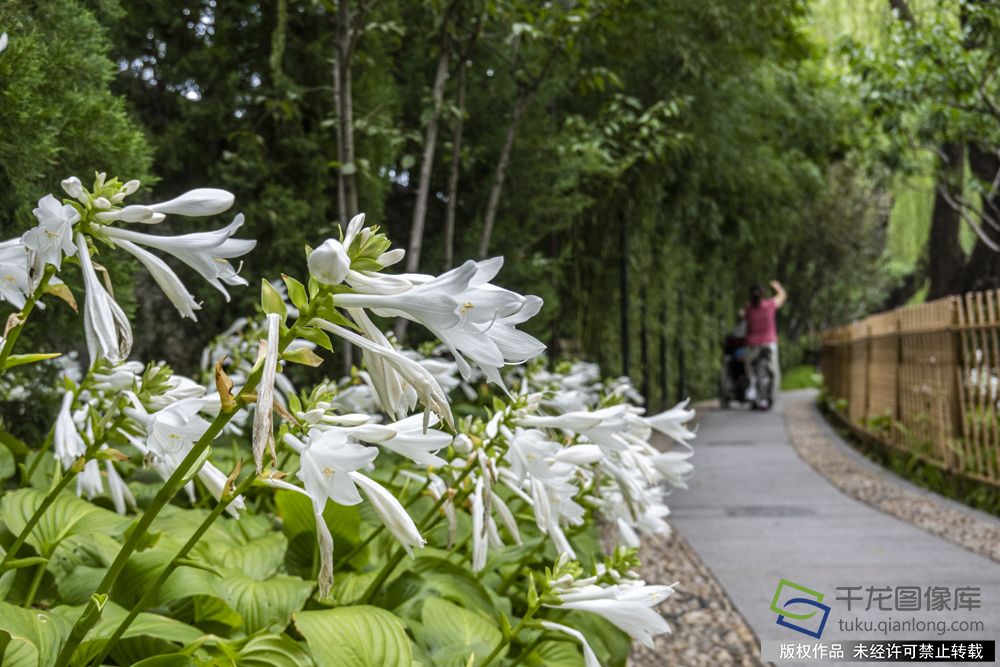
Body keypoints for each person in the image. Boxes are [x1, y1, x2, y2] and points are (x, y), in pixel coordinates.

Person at [743, 280, 786, 406]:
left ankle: (751, 385)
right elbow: (782, 295)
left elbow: (742, 317)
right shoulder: (770, 305)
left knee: (749, 367)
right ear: (763, 294)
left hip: (752, 345)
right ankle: (772, 395)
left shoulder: (748, 308)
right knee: (774, 371)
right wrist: (778, 287)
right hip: (769, 344)